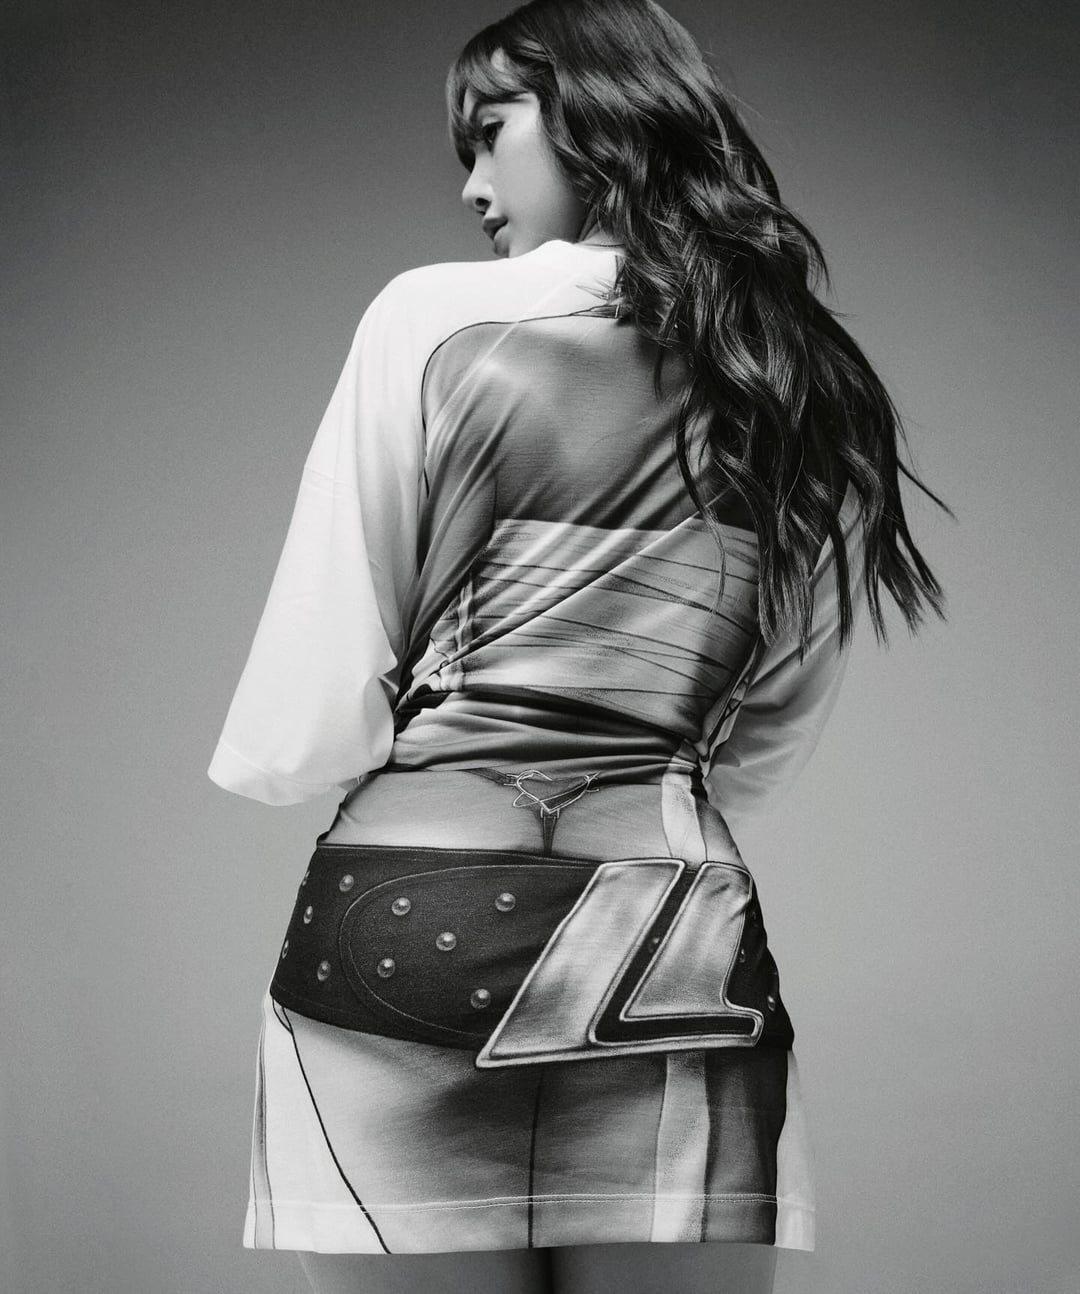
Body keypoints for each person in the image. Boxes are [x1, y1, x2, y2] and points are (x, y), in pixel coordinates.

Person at [207, 1, 950, 1291]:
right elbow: (767, 723)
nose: (471, 184)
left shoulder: (435, 320)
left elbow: (308, 713)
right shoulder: (796, 374)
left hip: (410, 907)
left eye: (490, 132)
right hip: (665, 926)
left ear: (596, 111)